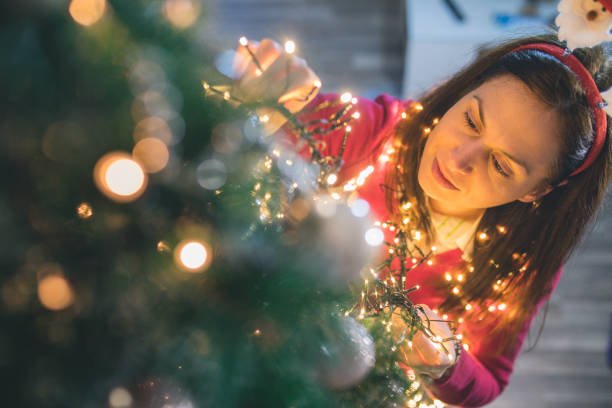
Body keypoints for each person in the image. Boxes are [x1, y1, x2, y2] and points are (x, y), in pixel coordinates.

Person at [228, 33, 612, 407]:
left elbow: (489, 382)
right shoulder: (375, 133)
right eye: (472, 120)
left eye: (499, 164)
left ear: (536, 191)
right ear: (462, 91)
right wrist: (265, 100)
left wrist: (448, 365)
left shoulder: (519, 261)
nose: (460, 158)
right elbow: (261, 144)